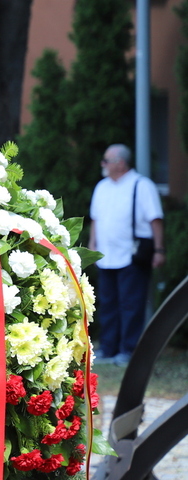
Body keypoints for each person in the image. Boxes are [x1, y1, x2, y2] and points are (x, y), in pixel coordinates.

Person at [89, 144, 165, 366]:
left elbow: (156, 219)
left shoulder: (141, 185)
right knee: (108, 303)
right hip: (106, 256)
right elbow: (95, 219)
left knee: (131, 304)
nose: (103, 164)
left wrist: (159, 250)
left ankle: (128, 350)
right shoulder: (101, 187)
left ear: (120, 163)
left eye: (106, 160)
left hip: (132, 256)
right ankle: (108, 348)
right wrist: (93, 245)